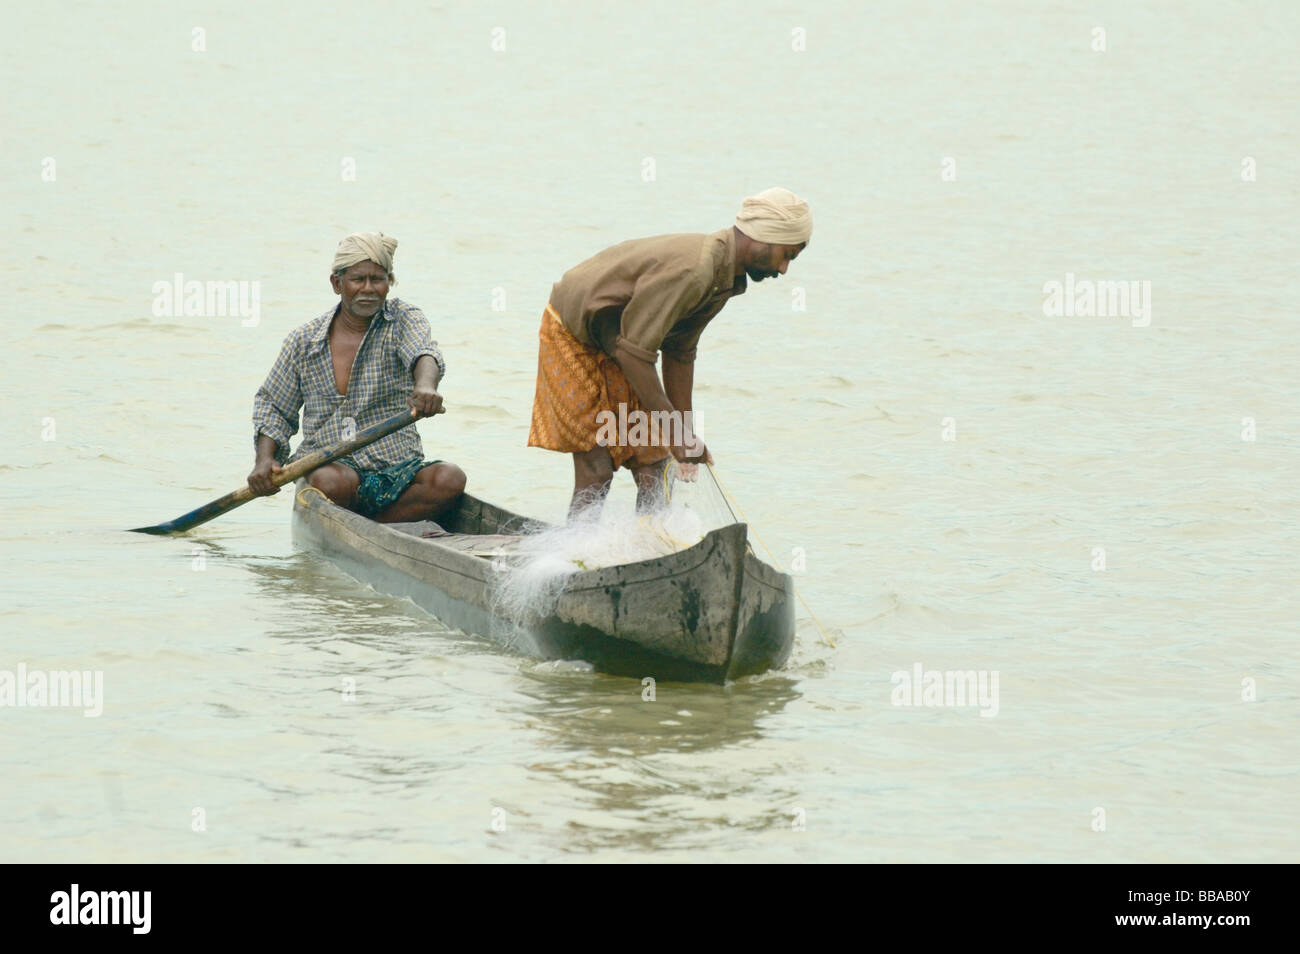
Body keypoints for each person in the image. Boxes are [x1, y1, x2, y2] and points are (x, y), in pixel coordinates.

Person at [528, 187, 811, 517]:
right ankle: (576, 556)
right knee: (598, 466)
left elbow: (679, 352)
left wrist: (684, 434)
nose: (784, 269)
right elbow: (635, 354)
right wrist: (675, 433)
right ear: (764, 237)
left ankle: (652, 545)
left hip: (625, 339)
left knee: (655, 464)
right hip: (576, 331)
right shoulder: (696, 270)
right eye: (787, 255)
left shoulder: (725, 277)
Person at [247, 232, 466, 522]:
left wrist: (426, 386)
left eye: (377, 280)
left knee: (450, 479)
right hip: (333, 466)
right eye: (357, 280)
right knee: (329, 484)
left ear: (389, 282)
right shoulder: (304, 341)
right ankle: (374, 525)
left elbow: (424, 353)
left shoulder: (403, 319)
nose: (368, 289)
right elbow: (274, 405)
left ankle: (377, 526)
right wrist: (265, 461)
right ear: (337, 284)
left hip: (397, 465)